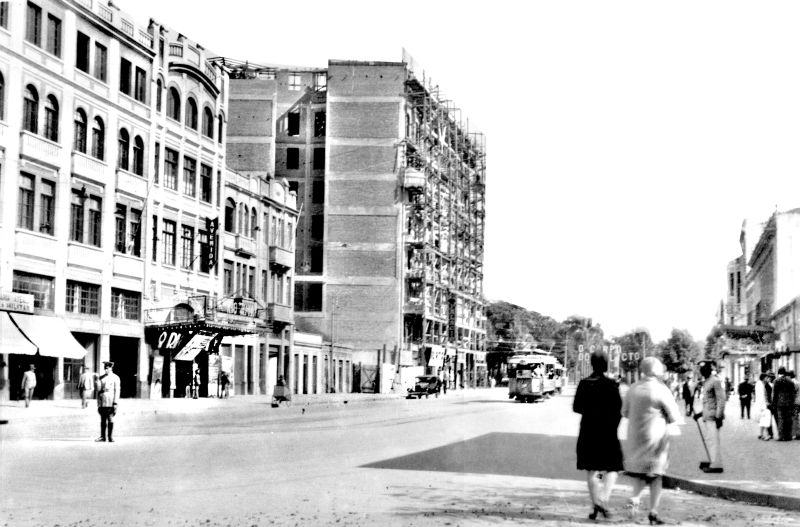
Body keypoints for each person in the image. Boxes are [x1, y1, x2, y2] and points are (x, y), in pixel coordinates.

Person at [622, 357, 682, 525]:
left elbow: (625, 412)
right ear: (657, 371)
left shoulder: (633, 389)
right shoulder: (661, 390)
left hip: (636, 439)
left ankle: (635, 498)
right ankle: (653, 512)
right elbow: (674, 416)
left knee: (640, 475)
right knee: (656, 476)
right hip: (656, 440)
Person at [573, 352, 623, 521]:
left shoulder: (584, 383)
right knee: (612, 468)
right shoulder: (612, 385)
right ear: (606, 365)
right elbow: (619, 410)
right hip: (608, 432)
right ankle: (603, 499)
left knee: (593, 469)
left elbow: (576, 407)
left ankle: (595, 503)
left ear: (592, 364)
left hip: (588, 430)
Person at [697, 362, 725, 472]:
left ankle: (717, 465)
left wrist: (719, 416)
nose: (702, 372)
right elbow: (708, 401)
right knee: (710, 440)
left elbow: (720, 400)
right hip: (708, 416)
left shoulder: (715, 381)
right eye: (701, 370)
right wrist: (699, 414)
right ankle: (713, 461)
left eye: (704, 370)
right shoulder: (707, 382)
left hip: (714, 417)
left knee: (714, 441)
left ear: (708, 370)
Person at [95, 361, 121, 443]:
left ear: (111, 368)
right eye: (105, 368)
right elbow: (98, 390)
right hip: (102, 401)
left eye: (107, 368)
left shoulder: (115, 378)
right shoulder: (101, 377)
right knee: (102, 419)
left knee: (110, 418)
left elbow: (117, 391)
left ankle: (110, 437)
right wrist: (97, 382)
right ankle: (103, 436)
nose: (105, 370)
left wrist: (115, 403)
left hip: (110, 401)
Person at [772, 367, 796, 441]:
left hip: (780, 403)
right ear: (785, 373)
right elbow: (793, 393)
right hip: (789, 403)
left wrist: (773, 403)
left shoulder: (776, 381)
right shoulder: (790, 381)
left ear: (778, 372)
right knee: (788, 419)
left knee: (781, 419)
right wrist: (792, 402)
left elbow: (774, 394)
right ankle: (788, 436)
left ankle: (781, 436)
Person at [755, 373, 772, 440]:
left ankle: (761, 434)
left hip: (760, 405)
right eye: (766, 378)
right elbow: (761, 396)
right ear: (763, 378)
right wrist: (765, 404)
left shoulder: (759, 384)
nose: (767, 379)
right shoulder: (760, 385)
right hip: (762, 405)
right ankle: (766, 435)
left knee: (762, 420)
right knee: (766, 419)